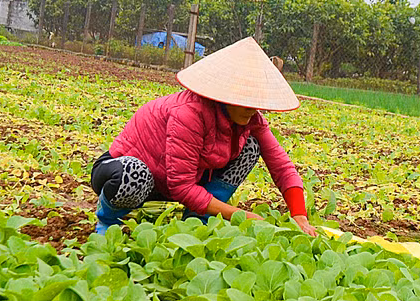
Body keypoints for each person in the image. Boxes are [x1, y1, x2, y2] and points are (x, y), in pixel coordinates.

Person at [89, 37, 318, 237]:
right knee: (134, 174)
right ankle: (108, 219)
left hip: (172, 185)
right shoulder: (189, 113)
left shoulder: (252, 120)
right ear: (225, 93)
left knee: (251, 146)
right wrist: (237, 214)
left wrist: (299, 215)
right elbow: (181, 185)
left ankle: (198, 217)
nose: (251, 107)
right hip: (123, 174)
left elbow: (281, 166)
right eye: (244, 98)